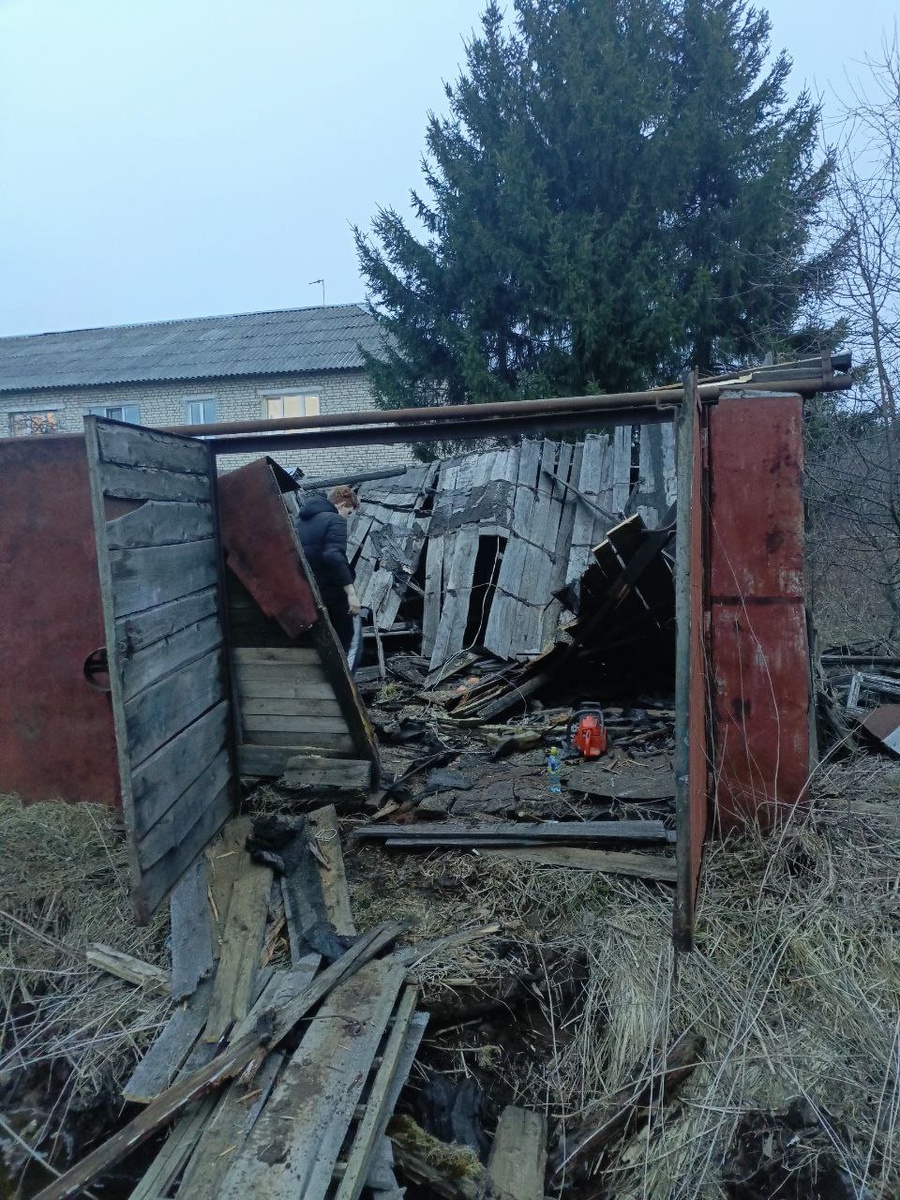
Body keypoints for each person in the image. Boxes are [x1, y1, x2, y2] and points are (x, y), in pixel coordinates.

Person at [294, 484, 361, 652]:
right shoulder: (335, 519)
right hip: (333, 594)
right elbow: (332, 555)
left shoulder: (299, 522)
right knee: (347, 641)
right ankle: (344, 679)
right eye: (349, 512)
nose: (347, 517)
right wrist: (351, 594)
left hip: (309, 594)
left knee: (321, 645)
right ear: (342, 505)